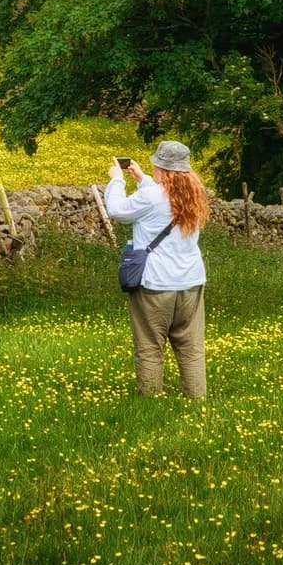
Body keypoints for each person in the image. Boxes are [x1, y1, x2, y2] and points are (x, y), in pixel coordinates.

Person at [103, 140, 209, 399]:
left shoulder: (151, 197)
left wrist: (117, 179)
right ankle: (197, 403)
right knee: (191, 347)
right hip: (191, 282)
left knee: (150, 346)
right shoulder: (195, 195)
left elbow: (117, 210)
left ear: (161, 167)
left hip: (154, 284)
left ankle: (150, 404)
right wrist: (142, 179)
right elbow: (164, 201)